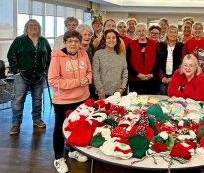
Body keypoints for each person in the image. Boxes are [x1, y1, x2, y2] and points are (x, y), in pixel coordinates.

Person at [48, 30, 92, 173]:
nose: (73, 44)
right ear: (65, 42)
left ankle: (74, 151)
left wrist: (88, 79)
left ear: (80, 43)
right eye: (70, 41)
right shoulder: (57, 57)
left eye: (76, 41)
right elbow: (52, 80)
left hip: (82, 97)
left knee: (78, 127)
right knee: (60, 129)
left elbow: (89, 72)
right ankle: (58, 158)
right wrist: (78, 82)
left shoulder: (84, 54)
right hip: (63, 100)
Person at [7, 19, 51, 135]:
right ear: (26, 27)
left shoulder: (43, 41)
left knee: (37, 99)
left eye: (36, 25)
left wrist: (46, 69)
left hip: (39, 76)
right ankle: (16, 124)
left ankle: (37, 120)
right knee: (18, 100)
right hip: (22, 76)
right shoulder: (19, 40)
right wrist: (16, 70)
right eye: (31, 25)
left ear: (39, 28)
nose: (33, 27)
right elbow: (11, 54)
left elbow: (49, 55)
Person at [93, 29, 128, 99]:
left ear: (117, 40)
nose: (111, 40)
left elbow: (125, 73)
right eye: (108, 38)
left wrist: (122, 88)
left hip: (118, 93)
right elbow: (95, 74)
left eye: (113, 38)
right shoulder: (98, 54)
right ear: (104, 40)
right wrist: (101, 91)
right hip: (103, 94)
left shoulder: (121, 55)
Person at [126, 23, 160, 94]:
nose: (141, 33)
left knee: (151, 102)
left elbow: (158, 62)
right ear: (135, 33)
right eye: (139, 31)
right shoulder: (131, 45)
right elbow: (127, 63)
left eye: (143, 30)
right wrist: (137, 74)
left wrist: (152, 74)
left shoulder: (153, 44)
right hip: (135, 81)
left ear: (147, 32)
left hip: (151, 80)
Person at [158, 25, 183, 95]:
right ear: (167, 33)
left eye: (175, 32)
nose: (173, 34)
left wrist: (173, 77)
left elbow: (182, 63)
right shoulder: (160, 45)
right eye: (170, 32)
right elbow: (157, 63)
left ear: (177, 34)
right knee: (162, 99)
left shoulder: (181, 46)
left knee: (174, 99)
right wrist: (162, 77)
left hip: (176, 77)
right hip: (162, 79)